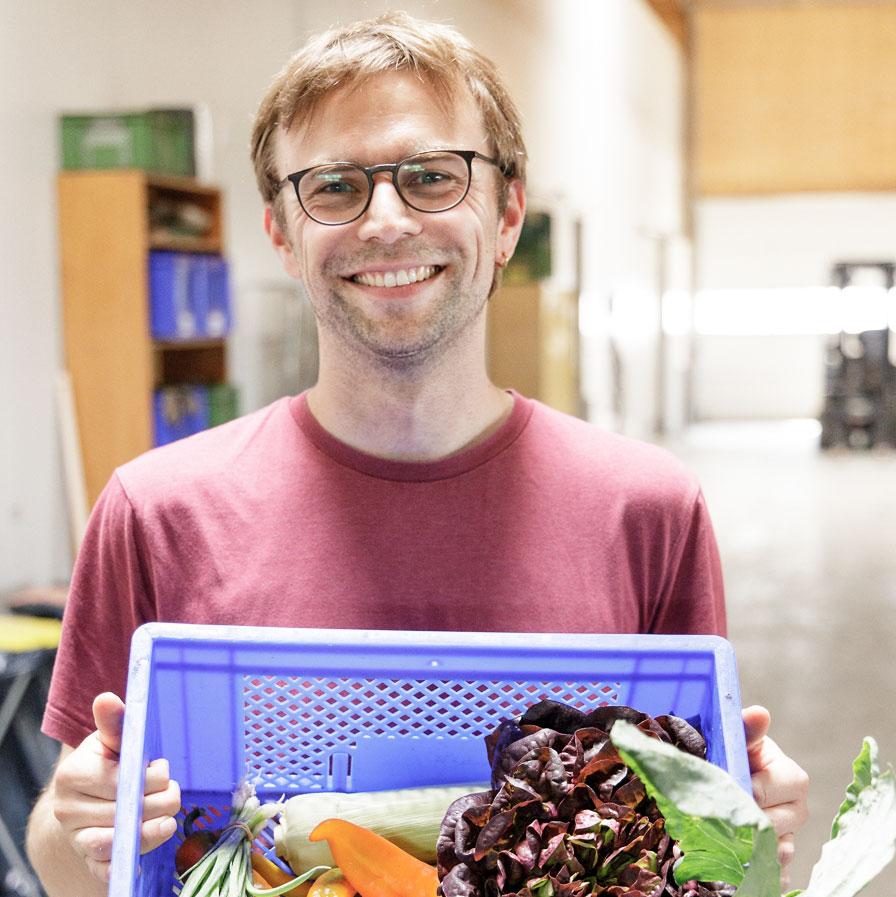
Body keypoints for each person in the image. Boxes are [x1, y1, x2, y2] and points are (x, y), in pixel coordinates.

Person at [26, 12, 808, 897]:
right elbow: (69, 865)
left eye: (434, 176)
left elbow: (689, 854)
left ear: (508, 212)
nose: (387, 220)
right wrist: (74, 821)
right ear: (282, 231)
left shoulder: (648, 510)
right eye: (334, 186)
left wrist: (748, 827)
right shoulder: (158, 512)